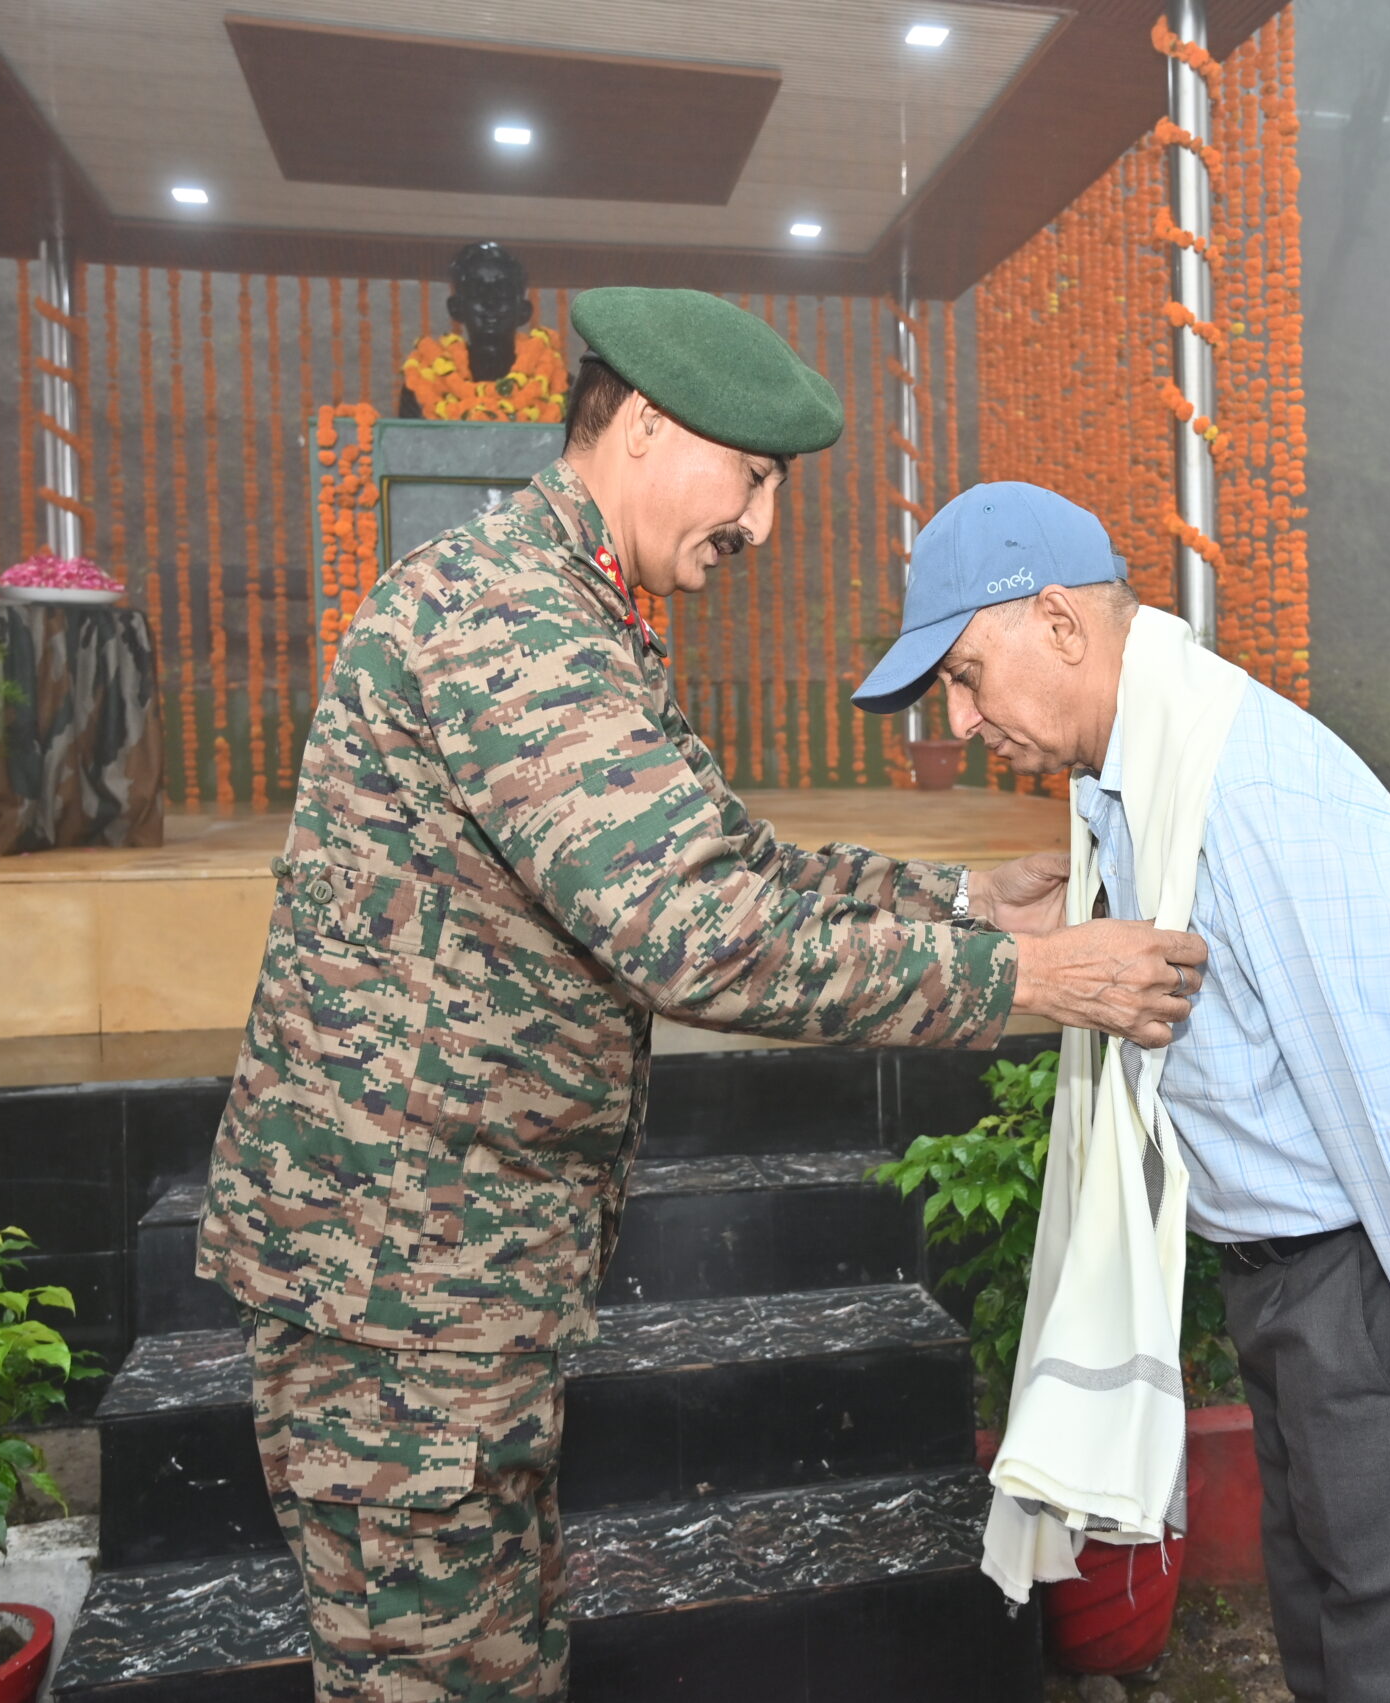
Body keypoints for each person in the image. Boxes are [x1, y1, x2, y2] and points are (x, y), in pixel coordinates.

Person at [199, 294, 1207, 1703]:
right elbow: (701, 933)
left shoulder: (573, 615)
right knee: (433, 1674)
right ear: (650, 429)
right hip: (402, 1290)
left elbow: (731, 862)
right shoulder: (515, 626)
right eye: (755, 477)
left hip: (451, 1281)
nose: (763, 525)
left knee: (490, 1654)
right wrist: (1026, 977)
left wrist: (963, 904)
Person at [854, 482, 1390, 1703]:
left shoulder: (1250, 794)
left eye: (965, 674)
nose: (959, 722)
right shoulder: (1137, 791)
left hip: (1371, 1292)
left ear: (1059, 623)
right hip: (1286, 1288)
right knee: (1332, 1643)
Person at [396, 240, 570, 422]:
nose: (490, 303)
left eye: (502, 292)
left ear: (524, 311)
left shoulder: (558, 384)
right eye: (477, 291)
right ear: (456, 308)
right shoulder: (425, 383)